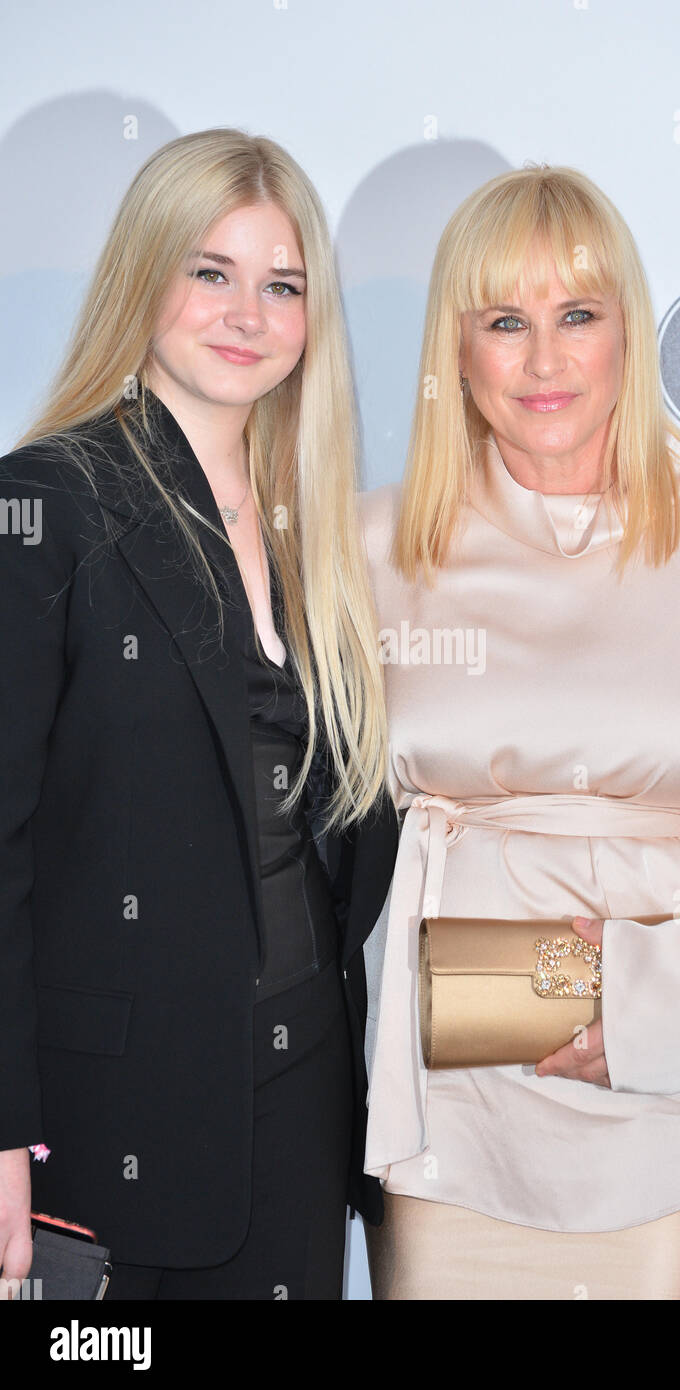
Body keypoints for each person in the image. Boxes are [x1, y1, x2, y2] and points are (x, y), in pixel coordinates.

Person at [358, 164, 680, 1299]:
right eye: (506, 321)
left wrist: (678, 1000)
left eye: (577, 315)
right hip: (454, 1120)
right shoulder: (374, 545)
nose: (544, 361)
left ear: (629, 331)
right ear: (457, 350)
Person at [0, 127, 397, 1300]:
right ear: (142, 277)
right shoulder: (47, 507)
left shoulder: (317, 540)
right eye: (209, 272)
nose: (247, 313)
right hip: (109, 1125)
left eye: (281, 285)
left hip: (299, 1107)